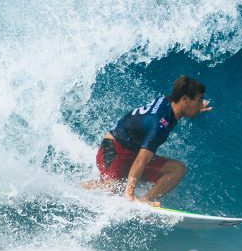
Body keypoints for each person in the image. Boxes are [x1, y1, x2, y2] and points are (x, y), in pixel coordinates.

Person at [83, 75, 212, 206]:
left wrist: (195, 107)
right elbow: (141, 160)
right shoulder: (159, 124)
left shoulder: (170, 101)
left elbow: (140, 158)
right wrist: (130, 195)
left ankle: (146, 200)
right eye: (199, 100)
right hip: (114, 150)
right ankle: (77, 189)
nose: (201, 103)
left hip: (132, 153)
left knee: (177, 169)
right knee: (112, 188)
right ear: (185, 99)